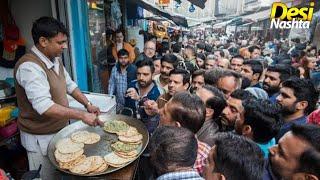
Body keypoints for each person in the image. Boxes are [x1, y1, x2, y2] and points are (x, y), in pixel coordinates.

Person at [14, 17, 101, 179]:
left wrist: (87, 104)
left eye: (65, 42)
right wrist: (82, 115)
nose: (65, 46)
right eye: (60, 42)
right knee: (46, 177)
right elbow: (44, 106)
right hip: (39, 140)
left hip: (60, 133)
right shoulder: (29, 67)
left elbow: (70, 85)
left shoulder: (56, 61)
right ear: (43, 41)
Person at [159, 92, 210, 175]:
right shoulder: (161, 139)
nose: (159, 112)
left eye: (164, 112)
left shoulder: (204, 160)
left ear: (176, 127)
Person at [124, 59, 160, 133]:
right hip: (128, 128)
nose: (141, 78)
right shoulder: (132, 85)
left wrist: (139, 99)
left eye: (145, 74)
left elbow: (151, 118)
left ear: (153, 75)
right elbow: (127, 107)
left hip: (145, 132)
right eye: (138, 74)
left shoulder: (156, 93)